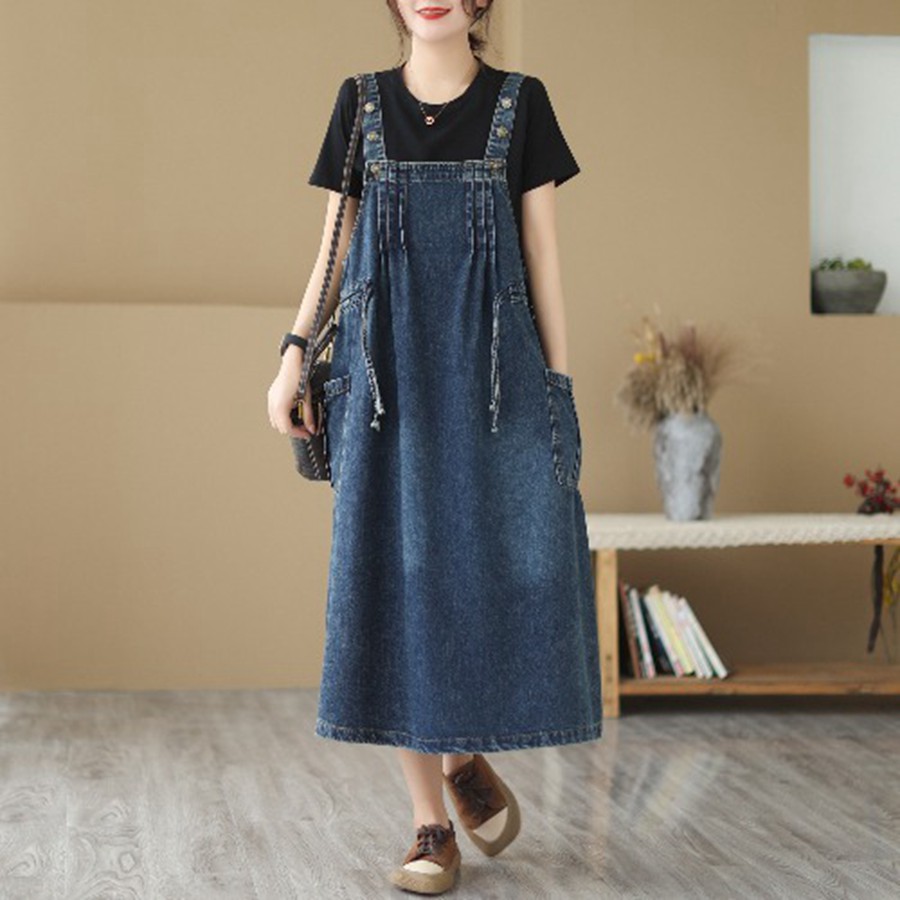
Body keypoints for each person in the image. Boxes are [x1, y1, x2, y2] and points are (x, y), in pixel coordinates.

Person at [267, 1, 603, 893]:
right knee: (398, 581)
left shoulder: (522, 103)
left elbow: (543, 254)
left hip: (495, 378)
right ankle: (430, 824)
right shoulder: (360, 104)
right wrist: (292, 356)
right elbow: (333, 249)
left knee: (489, 572)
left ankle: (460, 754)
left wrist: (557, 388)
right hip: (385, 382)